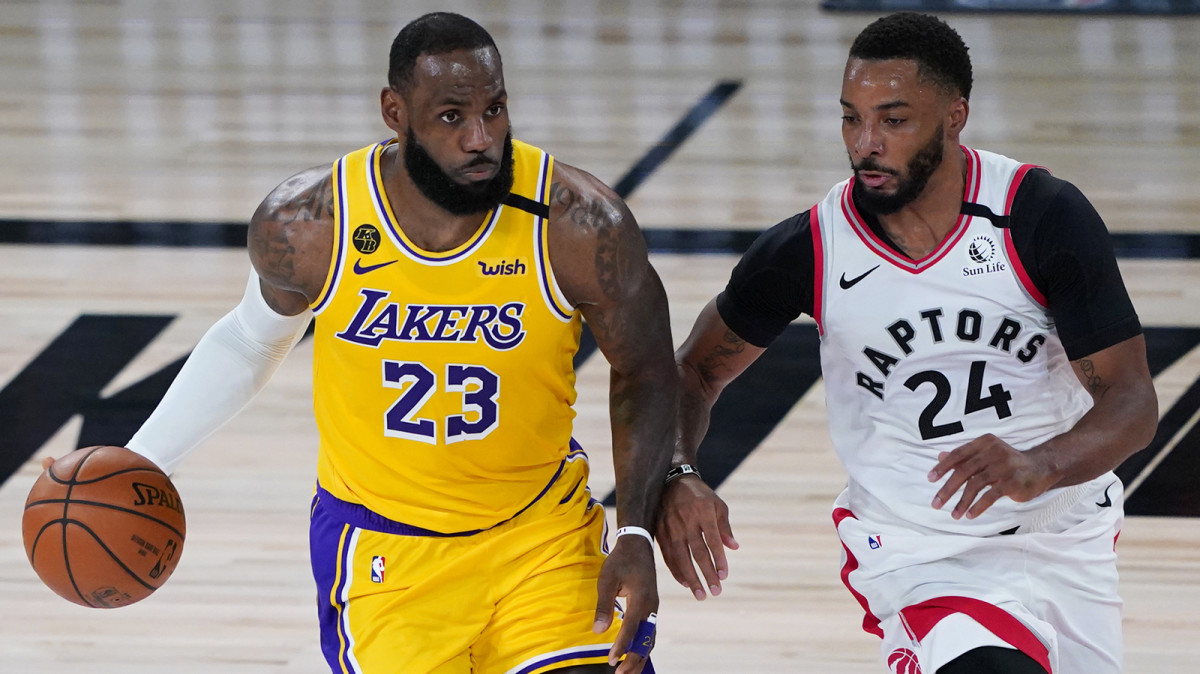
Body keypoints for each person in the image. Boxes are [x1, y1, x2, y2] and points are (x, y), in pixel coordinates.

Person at [66, 12, 677, 674]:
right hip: (382, 555)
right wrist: (144, 459)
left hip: (541, 537)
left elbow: (645, 372)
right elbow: (248, 341)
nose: (481, 138)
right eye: (451, 117)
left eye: (494, 109)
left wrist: (639, 528)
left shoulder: (579, 224)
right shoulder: (311, 223)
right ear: (395, 112)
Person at [657, 11, 1157, 674]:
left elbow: (1131, 403)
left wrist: (1040, 463)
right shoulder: (808, 248)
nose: (866, 143)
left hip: (1066, 534)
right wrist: (679, 473)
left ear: (954, 118)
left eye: (893, 120)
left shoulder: (1038, 217)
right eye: (850, 118)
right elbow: (690, 373)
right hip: (920, 556)